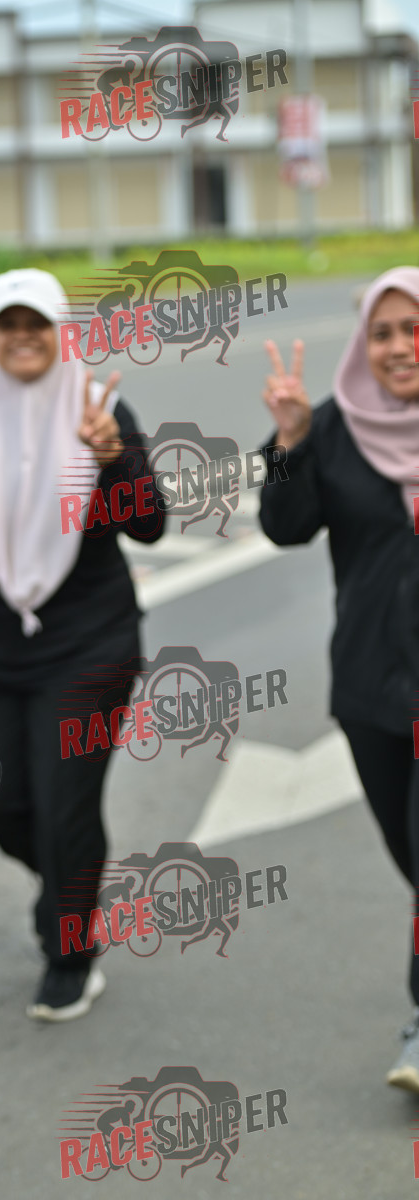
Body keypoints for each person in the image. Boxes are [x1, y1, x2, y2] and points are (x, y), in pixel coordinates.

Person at [0, 268, 166, 1022]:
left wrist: (114, 458)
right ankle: (71, 885)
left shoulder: (100, 409)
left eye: (39, 324)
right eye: (9, 324)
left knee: (66, 805)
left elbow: (149, 524)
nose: (24, 337)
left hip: (91, 639)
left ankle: (69, 955)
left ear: (62, 334)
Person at [256, 266, 419, 1090]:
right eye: (382, 333)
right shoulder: (333, 427)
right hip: (370, 683)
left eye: (413, 328)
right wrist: (288, 444)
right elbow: (285, 528)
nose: (399, 346)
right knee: (407, 852)